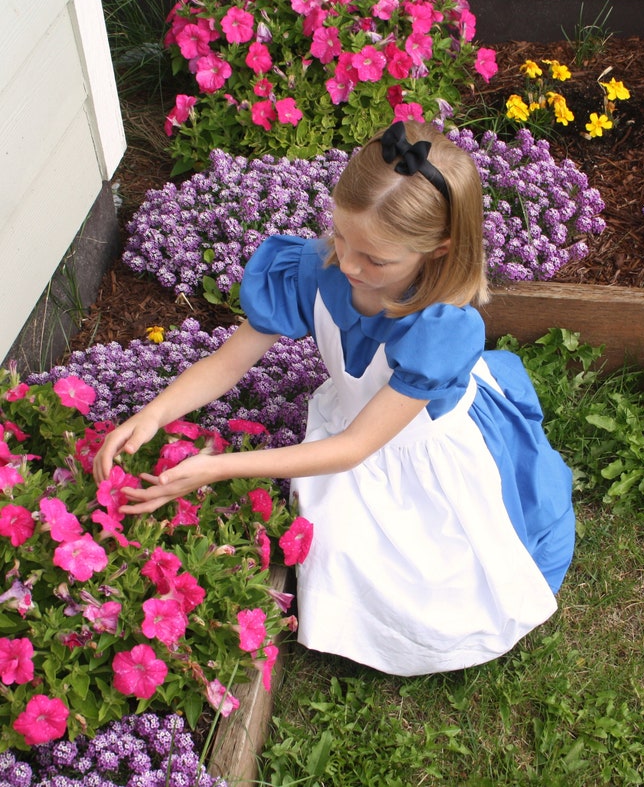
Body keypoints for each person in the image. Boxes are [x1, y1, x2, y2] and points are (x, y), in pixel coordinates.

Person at [94, 120, 575, 677]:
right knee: (339, 551)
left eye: (375, 259)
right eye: (341, 236)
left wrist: (216, 468)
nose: (348, 264)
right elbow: (228, 362)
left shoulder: (440, 328)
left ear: (438, 250)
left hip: (418, 448)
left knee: (428, 584)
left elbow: (353, 449)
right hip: (354, 422)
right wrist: (154, 412)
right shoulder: (315, 268)